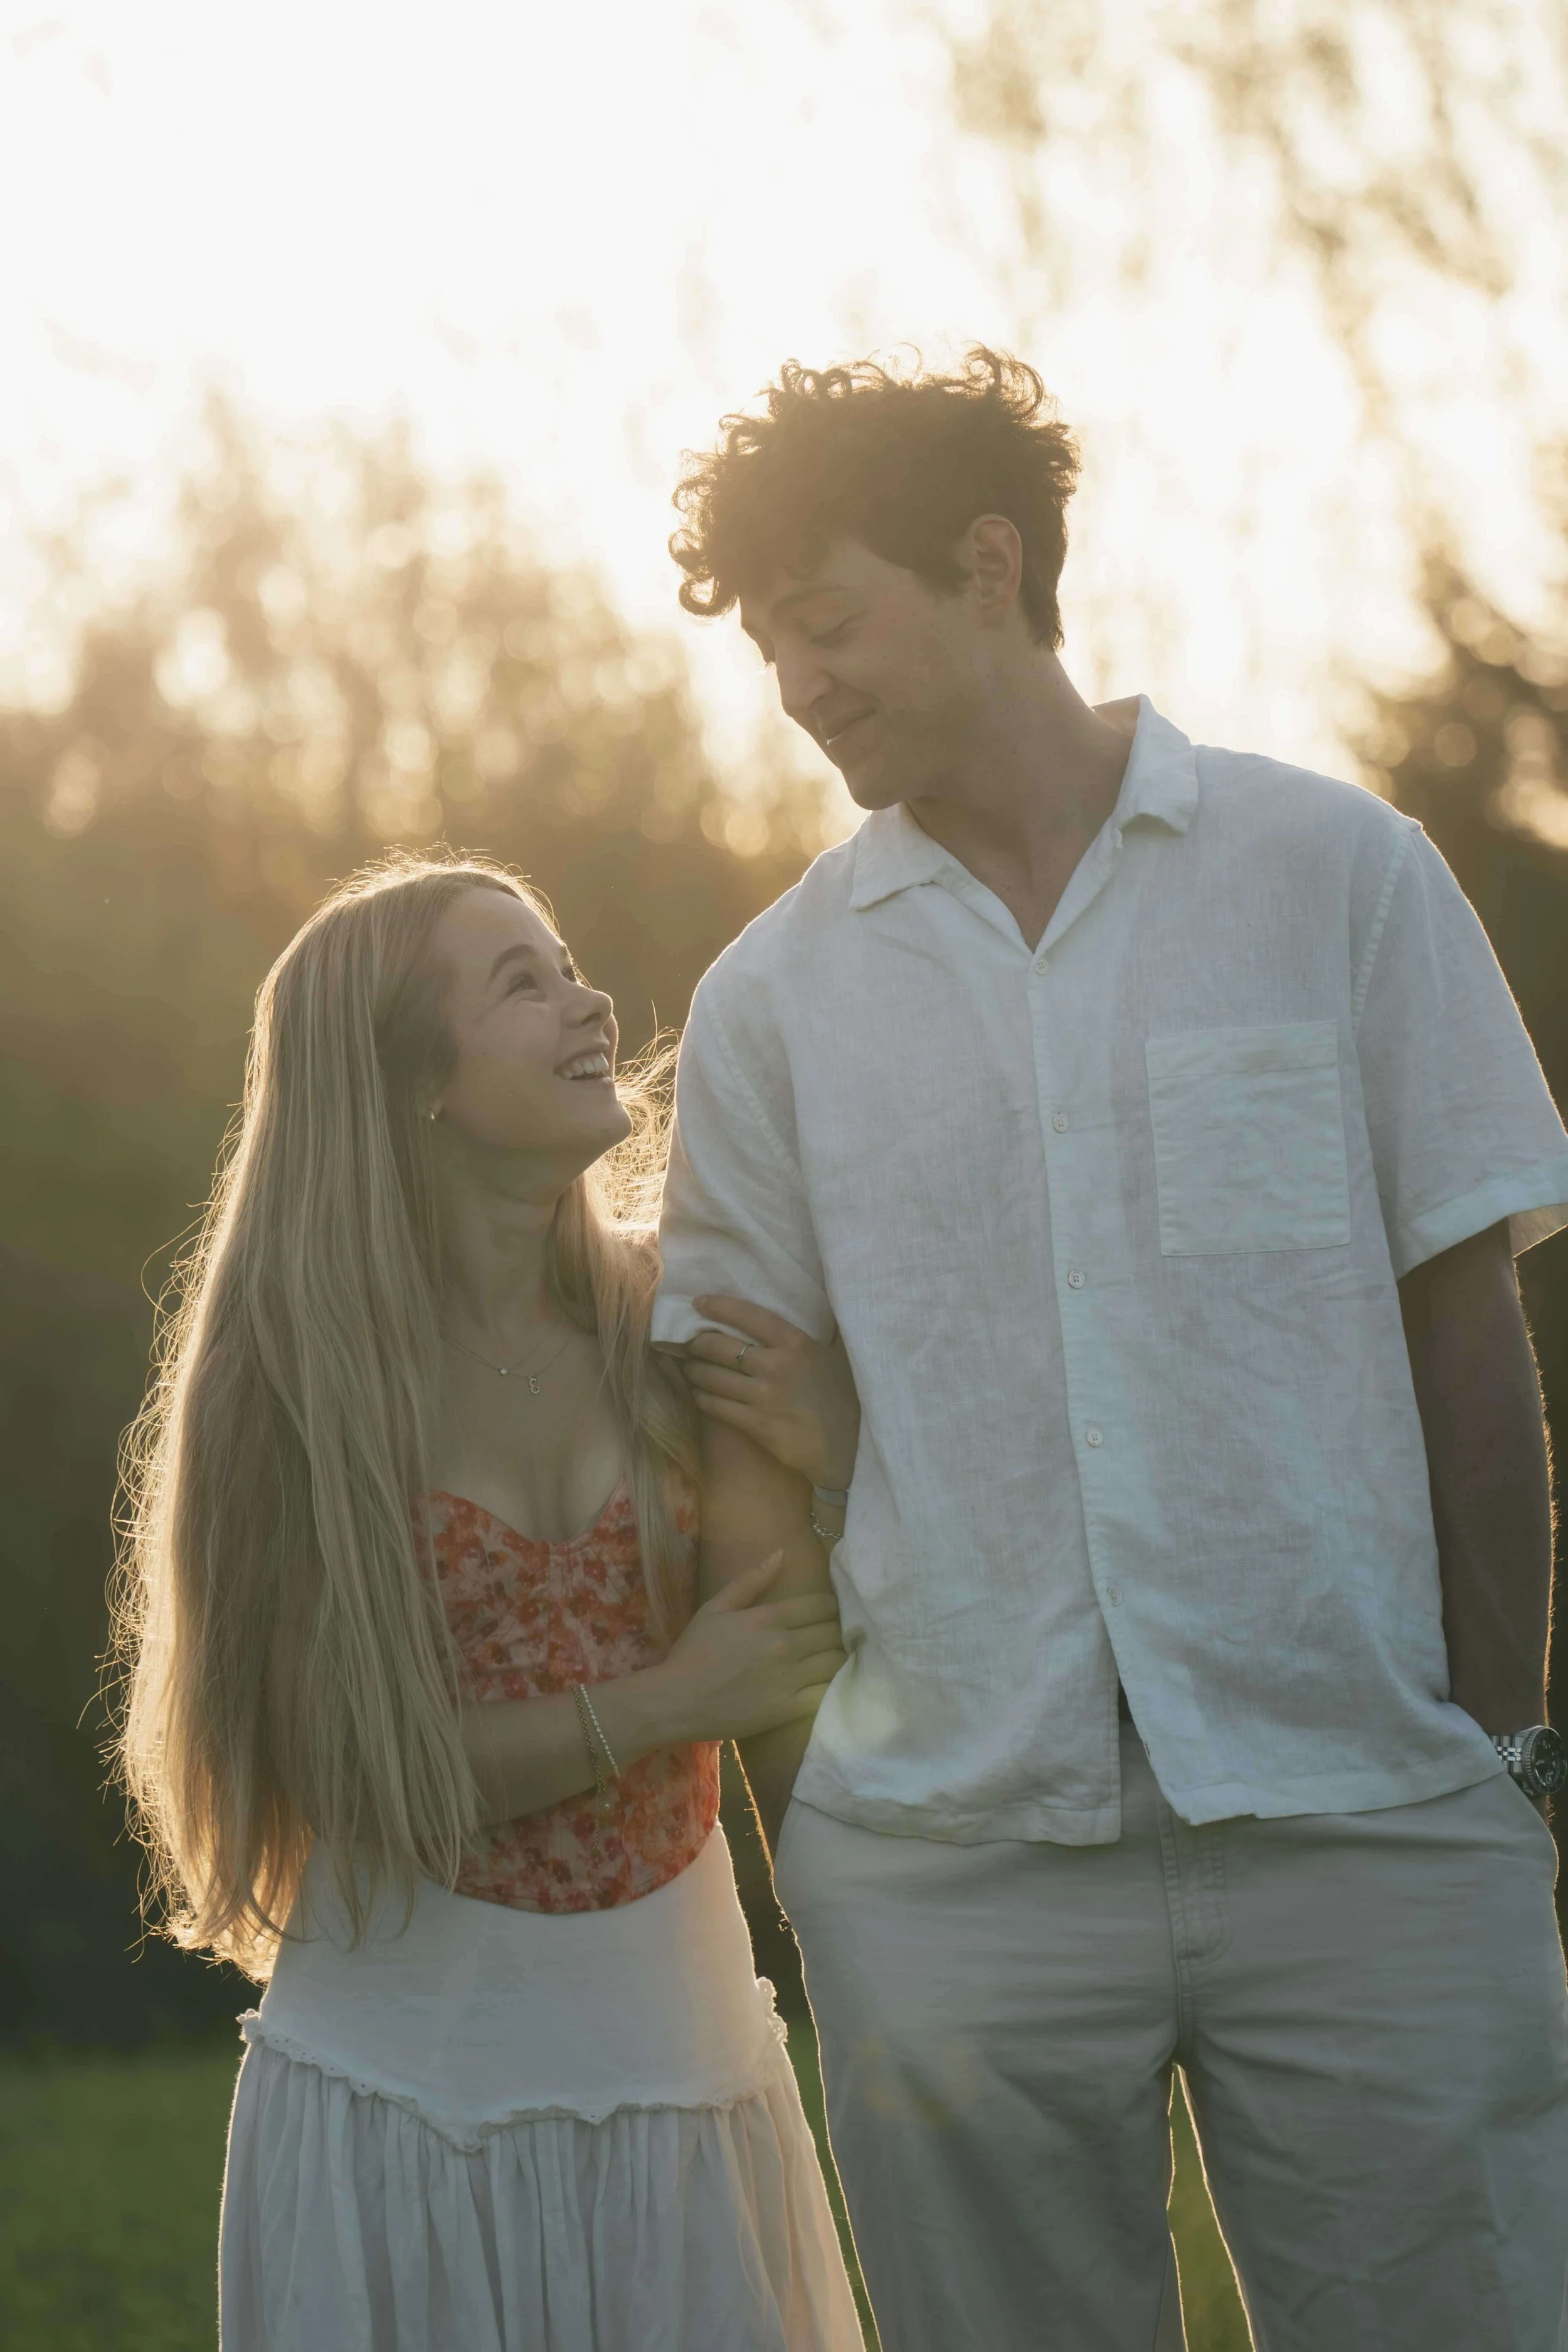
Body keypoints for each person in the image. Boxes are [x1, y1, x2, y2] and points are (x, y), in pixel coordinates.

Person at [654, 349, 1568, 2352]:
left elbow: (1467, 1335)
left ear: (989, 564)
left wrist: (1497, 1747)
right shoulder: (772, 1002)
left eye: (827, 621)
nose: (796, 685)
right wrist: (820, 1824)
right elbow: (736, 1439)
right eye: (771, 650)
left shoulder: (1335, 877)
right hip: (949, 1862)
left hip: (1369, 1814)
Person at [112, 853, 866, 2352]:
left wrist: (838, 1447)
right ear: (414, 1085)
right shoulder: (293, 1383)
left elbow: (841, 1628)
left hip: (688, 2081)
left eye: (569, 962)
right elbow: (346, 1766)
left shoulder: (676, 1324)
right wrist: (664, 1708)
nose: (589, 1003)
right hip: (406, 2105)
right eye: (520, 982)